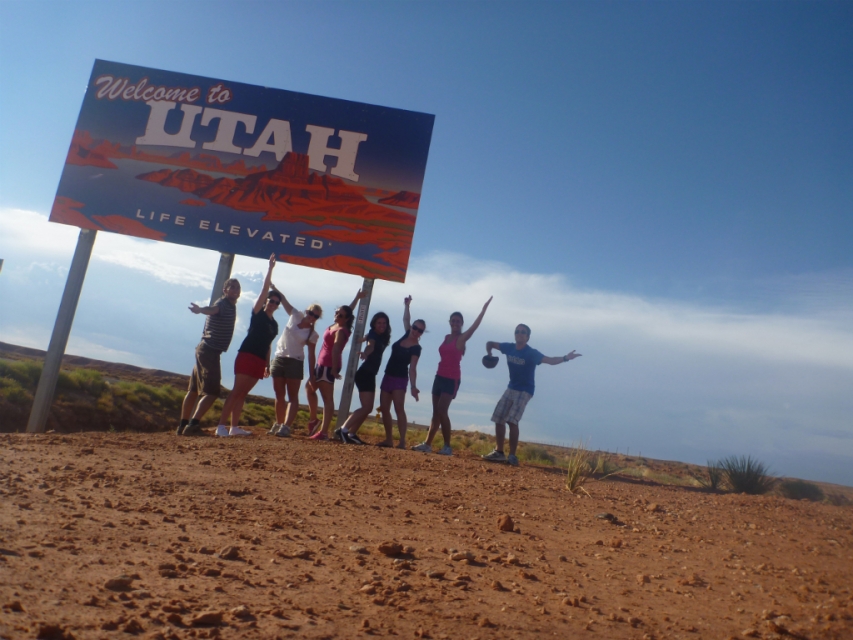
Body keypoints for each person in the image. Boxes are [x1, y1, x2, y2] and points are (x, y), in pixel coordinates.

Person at [482, 324, 581, 466]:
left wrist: (566, 358)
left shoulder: (531, 353)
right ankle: (499, 452)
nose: (519, 333)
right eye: (517, 331)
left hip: (525, 390)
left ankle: (512, 456)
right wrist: (489, 354)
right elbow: (490, 343)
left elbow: (550, 360)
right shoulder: (508, 347)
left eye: (523, 332)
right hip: (511, 387)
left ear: (527, 337)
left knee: (512, 420)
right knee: (499, 417)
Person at [413, 297, 492, 455]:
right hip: (439, 376)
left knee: (442, 410)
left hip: (451, 378)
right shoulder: (446, 338)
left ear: (461, 324)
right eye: (453, 320)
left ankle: (447, 446)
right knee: (435, 412)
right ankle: (427, 444)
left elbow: (474, 327)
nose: (455, 323)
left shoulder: (461, 338)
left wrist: (483, 310)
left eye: (458, 321)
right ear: (450, 322)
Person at [214, 254, 280, 437]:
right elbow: (264, 289)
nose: (273, 304)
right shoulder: (258, 313)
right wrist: (270, 269)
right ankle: (221, 426)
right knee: (236, 391)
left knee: (243, 393)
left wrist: (267, 365)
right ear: (266, 301)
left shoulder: (274, 325)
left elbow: (268, 345)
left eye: (277, 303)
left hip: (260, 360)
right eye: (271, 300)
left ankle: (234, 427)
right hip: (247, 355)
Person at [177, 277, 241, 436]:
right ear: (225, 290)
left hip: (205, 349)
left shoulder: (231, 306)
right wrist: (200, 310)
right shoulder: (222, 304)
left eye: (237, 287)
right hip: (209, 350)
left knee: (194, 389)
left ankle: (182, 426)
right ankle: (193, 425)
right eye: (232, 287)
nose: (235, 290)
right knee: (212, 392)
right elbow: (212, 310)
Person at [305, 290, 364, 440]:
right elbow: (348, 310)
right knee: (309, 388)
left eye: (341, 315)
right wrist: (357, 298)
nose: (337, 315)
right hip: (321, 364)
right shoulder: (337, 324)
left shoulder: (341, 331)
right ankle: (314, 420)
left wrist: (333, 369)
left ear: (346, 319)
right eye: (337, 312)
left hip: (328, 365)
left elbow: (336, 348)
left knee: (327, 399)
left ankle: (323, 432)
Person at [267, 290, 323, 438]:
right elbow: (283, 299)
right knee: (279, 394)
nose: (312, 317)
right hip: (279, 357)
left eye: (316, 316)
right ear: (306, 311)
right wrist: (274, 288)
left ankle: (286, 426)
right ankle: (278, 423)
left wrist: (312, 375)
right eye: (311, 313)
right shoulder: (295, 315)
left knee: (292, 396)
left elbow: (311, 355)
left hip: (295, 362)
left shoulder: (313, 334)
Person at [334, 311, 391, 445]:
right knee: (366, 407)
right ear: (374, 324)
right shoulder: (374, 335)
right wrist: (365, 353)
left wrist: (363, 338)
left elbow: (369, 338)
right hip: (365, 374)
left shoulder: (379, 335)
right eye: (379, 323)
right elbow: (371, 346)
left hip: (370, 374)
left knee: (368, 407)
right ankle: (343, 430)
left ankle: (352, 433)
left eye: (384, 323)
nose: (382, 325)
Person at [376, 296, 423, 449]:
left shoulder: (416, 348)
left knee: (398, 408)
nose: (416, 331)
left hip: (400, 379)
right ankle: (389, 439)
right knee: (384, 408)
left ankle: (402, 441)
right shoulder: (407, 333)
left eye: (420, 330)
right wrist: (407, 306)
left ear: (421, 333)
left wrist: (413, 386)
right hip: (388, 375)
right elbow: (405, 319)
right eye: (415, 327)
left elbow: (413, 368)